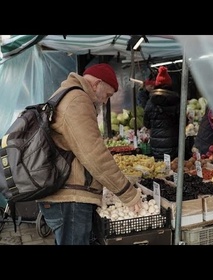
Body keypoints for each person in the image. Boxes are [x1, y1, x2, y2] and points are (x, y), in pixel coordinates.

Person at [37, 63, 142, 245]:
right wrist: (128, 194)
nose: (106, 101)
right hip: (70, 199)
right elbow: (95, 154)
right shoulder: (77, 100)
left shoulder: (67, 94)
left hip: (63, 196)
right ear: (97, 84)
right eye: (107, 95)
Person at [143, 66, 180, 160]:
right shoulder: (176, 101)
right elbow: (183, 122)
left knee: (159, 170)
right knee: (173, 169)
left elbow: (146, 124)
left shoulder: (150, 102)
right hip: (174, 145)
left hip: (156, 145)